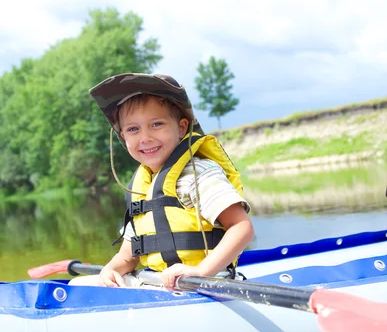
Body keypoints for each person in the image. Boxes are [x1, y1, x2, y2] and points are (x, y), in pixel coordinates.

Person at [70, 73, 254, 291]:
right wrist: (111, 269)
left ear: (182, 127)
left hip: (206, 283)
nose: (145, 137)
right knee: (79, 285)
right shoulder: (142, 187)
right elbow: (129, 254)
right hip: (159, 283)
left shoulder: (199, 173)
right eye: (133, 129)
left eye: (156, 124)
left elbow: (241, 228)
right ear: (123, 136)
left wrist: (201, 271)